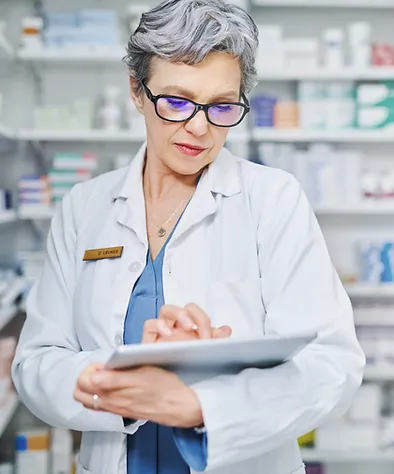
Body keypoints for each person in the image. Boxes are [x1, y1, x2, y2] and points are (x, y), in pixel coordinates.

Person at [11, 0, 365, 473]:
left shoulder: (272, 199)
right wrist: (123, 386)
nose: (199, 127)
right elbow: (36, 363)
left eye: (221, 106)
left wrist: (200, 404)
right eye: (176, 100)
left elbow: (332, 364)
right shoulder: (84, 206)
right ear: (137, 91)